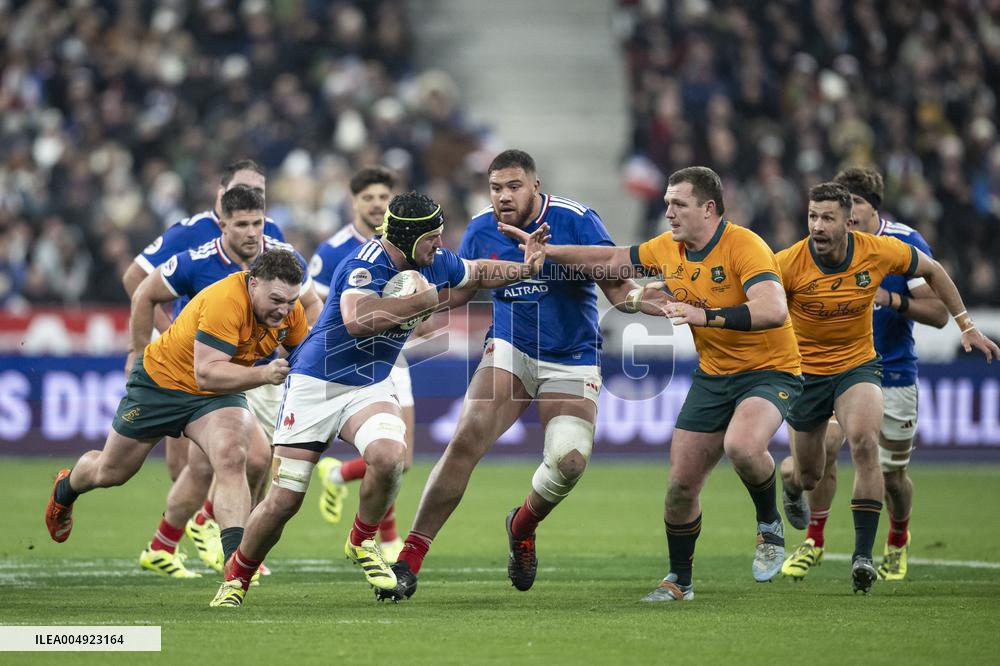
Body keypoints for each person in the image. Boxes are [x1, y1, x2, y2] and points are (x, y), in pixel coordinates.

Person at [208, 191, 545, 608]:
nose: (439, 244)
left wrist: (524, 268)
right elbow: (356, 319)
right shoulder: (364, 264)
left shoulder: (431, 260)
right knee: (284, 501)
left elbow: (476, 271)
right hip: (317, 383)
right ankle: (237, 579)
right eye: (432, 237)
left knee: (389, 457)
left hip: (369, 383)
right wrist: (423, 300)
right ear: (408, 238)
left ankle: (362, 539)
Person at [498, 164, 802, 603]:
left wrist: (703, 316)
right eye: (666, 204)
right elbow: (610, 260)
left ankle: (769, 525)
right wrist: (547, 250)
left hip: (770, 369)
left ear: (709, 208)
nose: (669, 213)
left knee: (742, 445)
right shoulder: (667, 247)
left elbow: (773, 309)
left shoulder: (745, 245)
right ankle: (680, 581)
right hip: (714, 375)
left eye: (679, 204)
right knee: (680, 486)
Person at [381, 149, 660, 603]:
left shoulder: (576, 219)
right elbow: (461, 290)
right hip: (510, 349)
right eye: (496, 188)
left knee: (569, 463)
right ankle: (409, 559)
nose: (503, 196)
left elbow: (616, 284)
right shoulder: (480, 229)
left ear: (535, 186)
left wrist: (649, 301)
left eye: (513, 186)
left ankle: (522, 524)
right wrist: (410, 310)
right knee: (466, 438)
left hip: (571, 356)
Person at [776, 182, 998, 594]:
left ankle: (863, 556)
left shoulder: (879, 250)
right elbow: (755, 302)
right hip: (807, 375)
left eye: (827, 218)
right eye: (812, 217)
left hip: (858, 367)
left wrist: (967, 325)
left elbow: (934, 271)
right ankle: (789, 482)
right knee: (807, 474)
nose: (818, 226)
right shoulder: (787, 262)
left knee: (865, 445)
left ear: (849, 222)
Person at [45, 251, 309, 582]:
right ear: (253, 284)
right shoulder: (225, 300)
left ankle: (235, 564)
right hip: (162, 384)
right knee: (111, 472)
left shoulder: (290, 313)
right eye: (276, 300)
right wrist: (264, 374)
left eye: (291, 301)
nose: (284, 310)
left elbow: (307, 359)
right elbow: (206, 374)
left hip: (215, 396)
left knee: (232, 457)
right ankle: (66, 489)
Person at [127, 186, 321, 578]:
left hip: (258, 374)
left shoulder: (281, 258)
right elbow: (140, 287)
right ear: (222, 220)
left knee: (243, 462)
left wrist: (303, 350)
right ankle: (213, 534)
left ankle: (176, 542)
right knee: (203, 466)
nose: (252, 231)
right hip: (200, 374)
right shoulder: (195, 255)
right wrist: (144, 346)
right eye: (243, 223)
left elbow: (310, 305)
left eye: (258, 221)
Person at [308, 166, 413, 563]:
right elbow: (312, 309)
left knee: (403, 456)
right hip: (348, 362)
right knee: (382, 450)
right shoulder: (332, 251)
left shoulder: (407, 246)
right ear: (354, 202)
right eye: (368, 197)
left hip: (394, 358)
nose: (376, 204)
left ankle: (337, 475)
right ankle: (387, 537)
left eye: (383, 197)